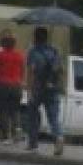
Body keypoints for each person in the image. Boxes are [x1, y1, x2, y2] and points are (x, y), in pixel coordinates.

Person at [25, 26, 65, 156]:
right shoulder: (55, 51)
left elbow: (31, 71)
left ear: (36, 37)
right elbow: (60, 70)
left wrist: (29, 89)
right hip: (52, 88)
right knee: (53, 117)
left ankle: (33, 144)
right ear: (46, 37)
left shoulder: (33, 51)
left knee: (32, 115)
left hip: (38, 88)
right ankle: (58, 137)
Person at [0, 29, 25, 144]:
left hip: (2, 85)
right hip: (16, 85)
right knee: (15, 110)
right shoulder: (20, 55)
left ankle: (6, 135)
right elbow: (23, 71)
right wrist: (21, 81)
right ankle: (18, 131)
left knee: (3, 110)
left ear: (3, 43)